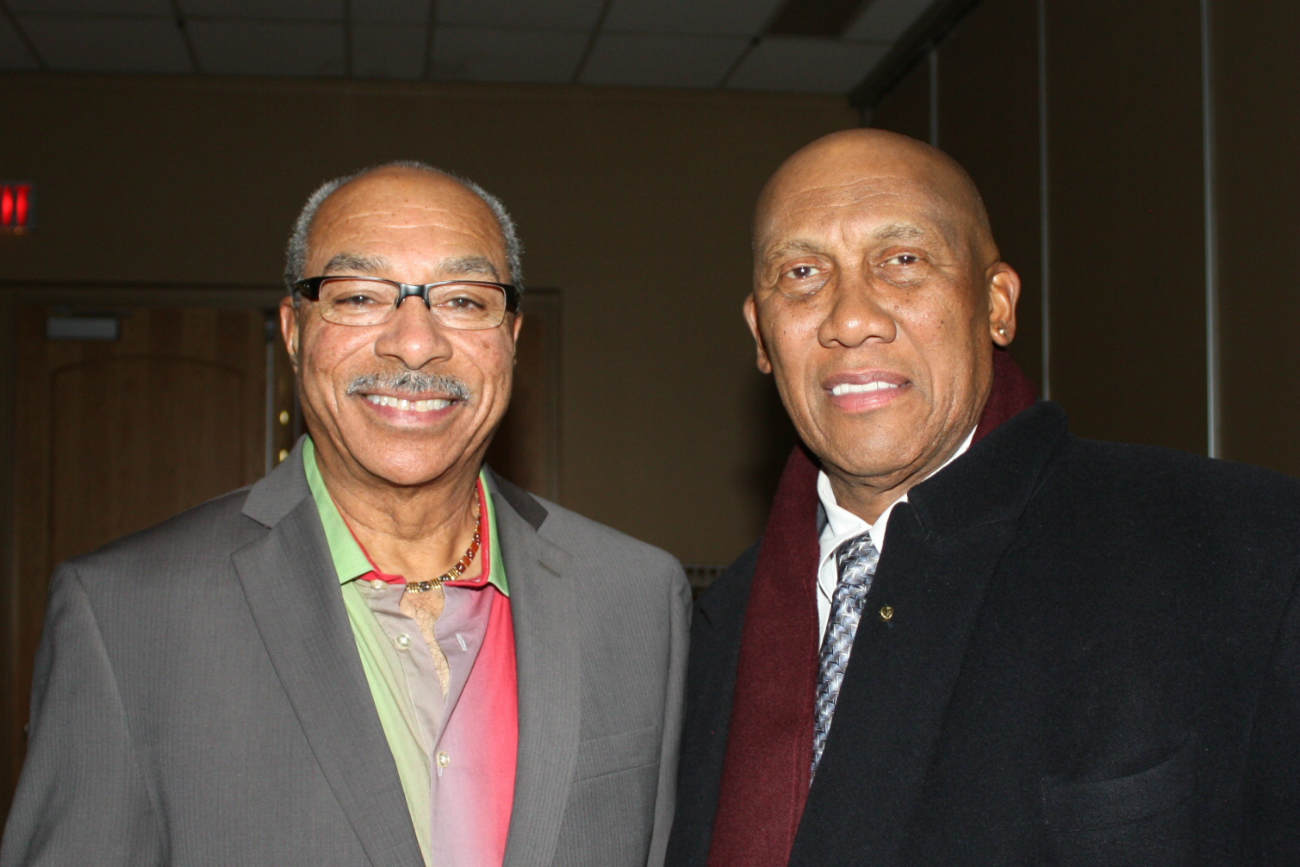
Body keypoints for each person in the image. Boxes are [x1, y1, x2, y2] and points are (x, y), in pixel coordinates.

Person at [3, 162, 690, 866]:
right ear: (294, 330)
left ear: (511, 336)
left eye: (462, 299)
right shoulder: (126, 616)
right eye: (360, 296)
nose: (415, 343)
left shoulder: (635, 598)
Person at [668, 129, 1300, 864]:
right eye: (802, 273)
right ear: (761, 335)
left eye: (902, 261)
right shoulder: (712, 634)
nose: (850, 318)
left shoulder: (1238, 553)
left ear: (997, 303)